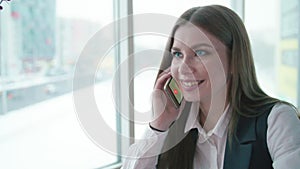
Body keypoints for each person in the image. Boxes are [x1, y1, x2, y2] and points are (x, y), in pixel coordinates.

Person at [122, 5, 300, 169]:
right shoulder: (170, 127)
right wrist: (158, 125)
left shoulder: (276, 120)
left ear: (234, 61)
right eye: (177, 54)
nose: (184, 67)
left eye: (200, 53)